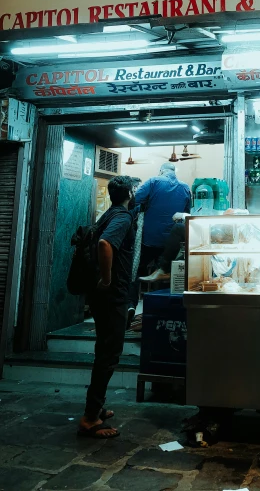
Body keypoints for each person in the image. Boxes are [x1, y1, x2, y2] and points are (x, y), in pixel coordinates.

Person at [78, 175, 137, 439]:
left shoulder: (108, 214)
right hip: (112, 295)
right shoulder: (122, 217)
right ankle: (90, 418)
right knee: (109, 354)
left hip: (103, 296)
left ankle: (96, 407)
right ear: (131, 193)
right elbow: (105, 244)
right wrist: (107, 277)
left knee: (104, 350)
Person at [128, 163, 191, 315]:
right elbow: (187, 213)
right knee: (163, 275)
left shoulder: (153, 181)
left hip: (149, 239)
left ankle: (130, 305)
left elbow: (133, 202)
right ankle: (159, 311)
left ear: (161, 171)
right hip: (171, 244)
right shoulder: (185, 188)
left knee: (136, 271)